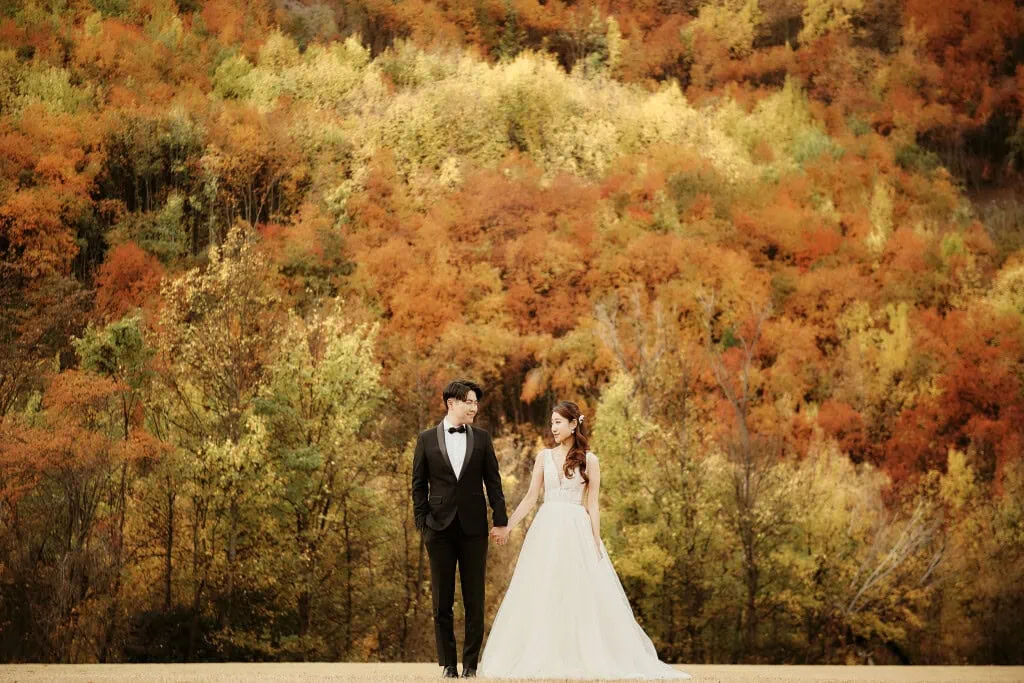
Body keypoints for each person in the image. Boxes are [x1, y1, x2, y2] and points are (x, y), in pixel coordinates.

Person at [479, 401, 691, 679]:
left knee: (581, 592)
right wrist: (507, 527)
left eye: (558, 422)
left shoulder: (590, 460)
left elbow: (593, 504)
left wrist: (595, 542)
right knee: (543, 589)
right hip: (547, 528)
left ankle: (582, 653)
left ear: (572, 424)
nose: (553, 427)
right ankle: (544, 652)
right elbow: (531, 497)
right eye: (552, 422)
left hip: (576, 529)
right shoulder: (543, 457)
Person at [412, 379, 509, 678]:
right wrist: (423, 524)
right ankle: (448, 665)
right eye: (469, 401)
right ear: (451, 403)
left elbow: (494, 482)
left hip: (473, 528)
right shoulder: (426, 439)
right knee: (442, 601)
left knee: (474, 599)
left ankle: (470, 665)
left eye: (476, 402)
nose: (474, 407)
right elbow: (418, 485)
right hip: (438, 528)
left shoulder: (482, 438)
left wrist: (501, 520)